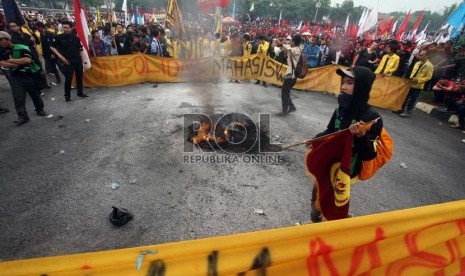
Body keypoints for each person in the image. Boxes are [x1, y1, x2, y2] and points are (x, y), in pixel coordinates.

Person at [310, 66, 383, 222]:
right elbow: (330, 130)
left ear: (362, 86)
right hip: (328, 162)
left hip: (345, 169)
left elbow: (369, 154)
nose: (343, 87)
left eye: (349, 83)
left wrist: (361, 135)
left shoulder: (371, 117)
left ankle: (335, 228)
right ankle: (315, 222)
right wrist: (316, 139)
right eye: (343, 82)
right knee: (318, 196)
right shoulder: (340, 108)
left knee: (336, 202)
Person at [0, 31, 46, 126]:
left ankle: (39, 109)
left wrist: (12, 61)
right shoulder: (2, 51)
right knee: (18, 97)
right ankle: (23, 116)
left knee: (34, 94)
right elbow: (3, 64)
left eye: (1, 40)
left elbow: (27, 60)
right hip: (15, 76)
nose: (0, 42)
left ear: (7, 39)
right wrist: (18, 63)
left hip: (29, 74)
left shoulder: (21, 47)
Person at [50, 21, 89, 102]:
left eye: (67, 28)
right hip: (67, 61)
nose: (65, 29)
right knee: (68, 79)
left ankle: (80, 92)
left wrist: (84, 60)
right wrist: (60, 56)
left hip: (77, 60)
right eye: (64, 27)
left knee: (79, 77)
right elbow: (52, 47)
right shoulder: (59, 37)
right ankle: (67, 96)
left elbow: (80, 49)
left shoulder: (76, 38)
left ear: (71, 28)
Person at [397, 50, 434, 117]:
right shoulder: (417, 63)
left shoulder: (429, 66)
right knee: (406, 96)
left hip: (418, 85)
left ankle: (408, 112)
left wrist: (418, 80)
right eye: (419, 55)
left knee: (413, 98)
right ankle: (401, 109)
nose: (419, 56)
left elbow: (429, 77)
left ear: (426, 56)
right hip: (410, 82)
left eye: (421, 55)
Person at [276, 34, 303, 116]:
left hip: (291, 74)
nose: (290, 42)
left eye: (291, 41)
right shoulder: (297, 48)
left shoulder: (297, 49)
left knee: (284, 92)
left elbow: (289, 49)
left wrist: (281, 44)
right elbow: (286, 48)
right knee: (286, 91)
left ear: (294, 42)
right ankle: (291, 107)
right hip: (291, 74)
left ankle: (285, 110)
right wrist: (281, 44)